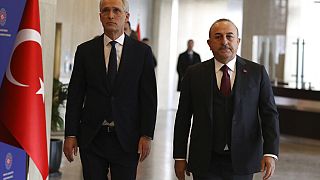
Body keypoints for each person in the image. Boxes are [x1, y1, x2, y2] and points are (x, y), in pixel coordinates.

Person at [173, 18, 279, 180]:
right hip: (205, 161)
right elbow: (183, 117)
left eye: (230, 36)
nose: (224, 42)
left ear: (238, 41)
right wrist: (179, 156)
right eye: (218, 37)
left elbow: (269, 114)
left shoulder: (256, 73)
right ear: (209, 43)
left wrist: (270, 152)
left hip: (243, 159)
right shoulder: (194, 74)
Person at [63, 0, 157, 179]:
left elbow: (148, 99)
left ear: (126, 16)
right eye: (105, 11)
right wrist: (70, 134)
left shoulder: (142, 53)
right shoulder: (85, 51)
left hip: (127, 138)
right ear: (100, 17)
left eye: (116, 10)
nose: (111, 15)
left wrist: (147, 134)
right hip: (92, 138)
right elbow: (75, 95)